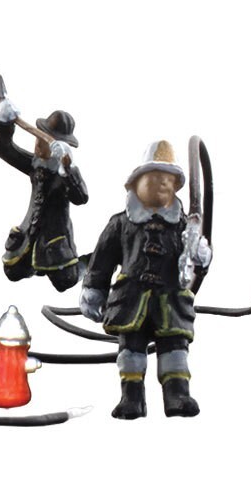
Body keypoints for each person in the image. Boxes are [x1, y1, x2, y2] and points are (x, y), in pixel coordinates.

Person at [80, 140, 211, 419]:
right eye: (154, 178)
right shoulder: (120, 224)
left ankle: (178, 394)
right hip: (131, 300)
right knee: (131, 351)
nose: (162, 183)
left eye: (168, 179)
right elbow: (102, 261)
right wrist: (93, 290)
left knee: (175, 350)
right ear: (135, 185)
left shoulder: (184, 226)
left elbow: (196, 265)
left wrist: (201, 253)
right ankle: (131, 397)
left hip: (172, 302)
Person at [0, 99, 89, 292]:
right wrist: (3, 123)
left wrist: (68, 168)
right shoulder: (35, 165)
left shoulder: (65, 174)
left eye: (44, 141)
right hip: (29, 234)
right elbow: (5, 149)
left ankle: (93, 262)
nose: (38, 144)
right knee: (12, 272)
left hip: (54, 240)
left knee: (65, 281)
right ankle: (33, 265)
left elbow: (81, 198)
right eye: (38, 138)